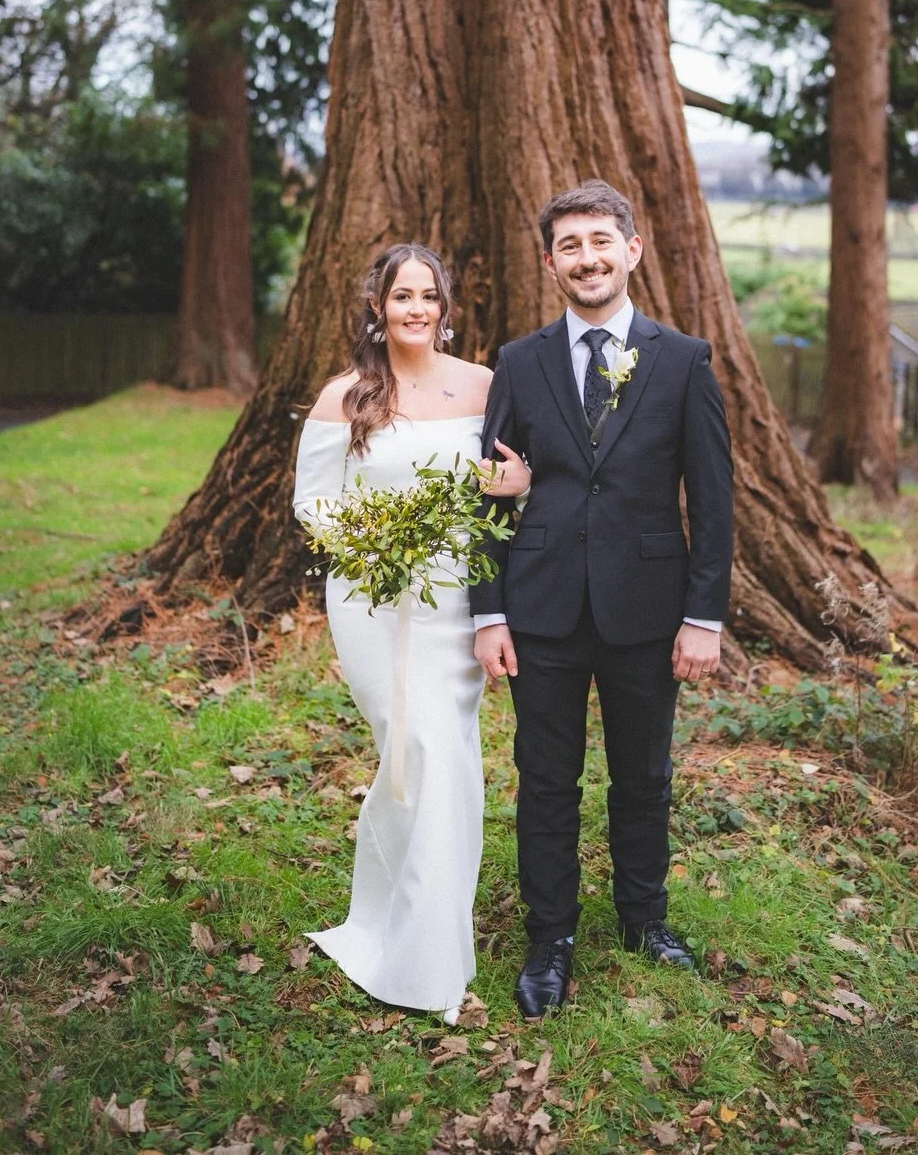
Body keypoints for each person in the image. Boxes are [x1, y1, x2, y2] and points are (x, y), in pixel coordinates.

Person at [470, 179, 734, 1019]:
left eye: (600, 241)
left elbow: (713, 499)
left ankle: (643, 918)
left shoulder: (682, 360)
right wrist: (488, 611)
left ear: (632, 250)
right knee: (546, 780)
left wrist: (703, 616)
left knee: (643, 775)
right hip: (540, 607)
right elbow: (488, 494)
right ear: (550, 263)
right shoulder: (519, 362)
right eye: (569, 246)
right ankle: (550, 938)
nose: (587, 259)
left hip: (647, 608)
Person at [292, 243, 529, 1021]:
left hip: (458, 599)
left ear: (445, 307)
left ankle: (428, 946)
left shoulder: (483, 385)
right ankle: (399, 934)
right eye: (402, 296)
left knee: (442, 756)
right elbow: (312, 504)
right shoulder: (345, 396)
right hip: (373, 600)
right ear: (378, 307)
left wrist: (520, 483)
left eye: (429, 296)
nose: (416, 309)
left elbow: (507, 482)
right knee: (410, 750)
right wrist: (378, 548)